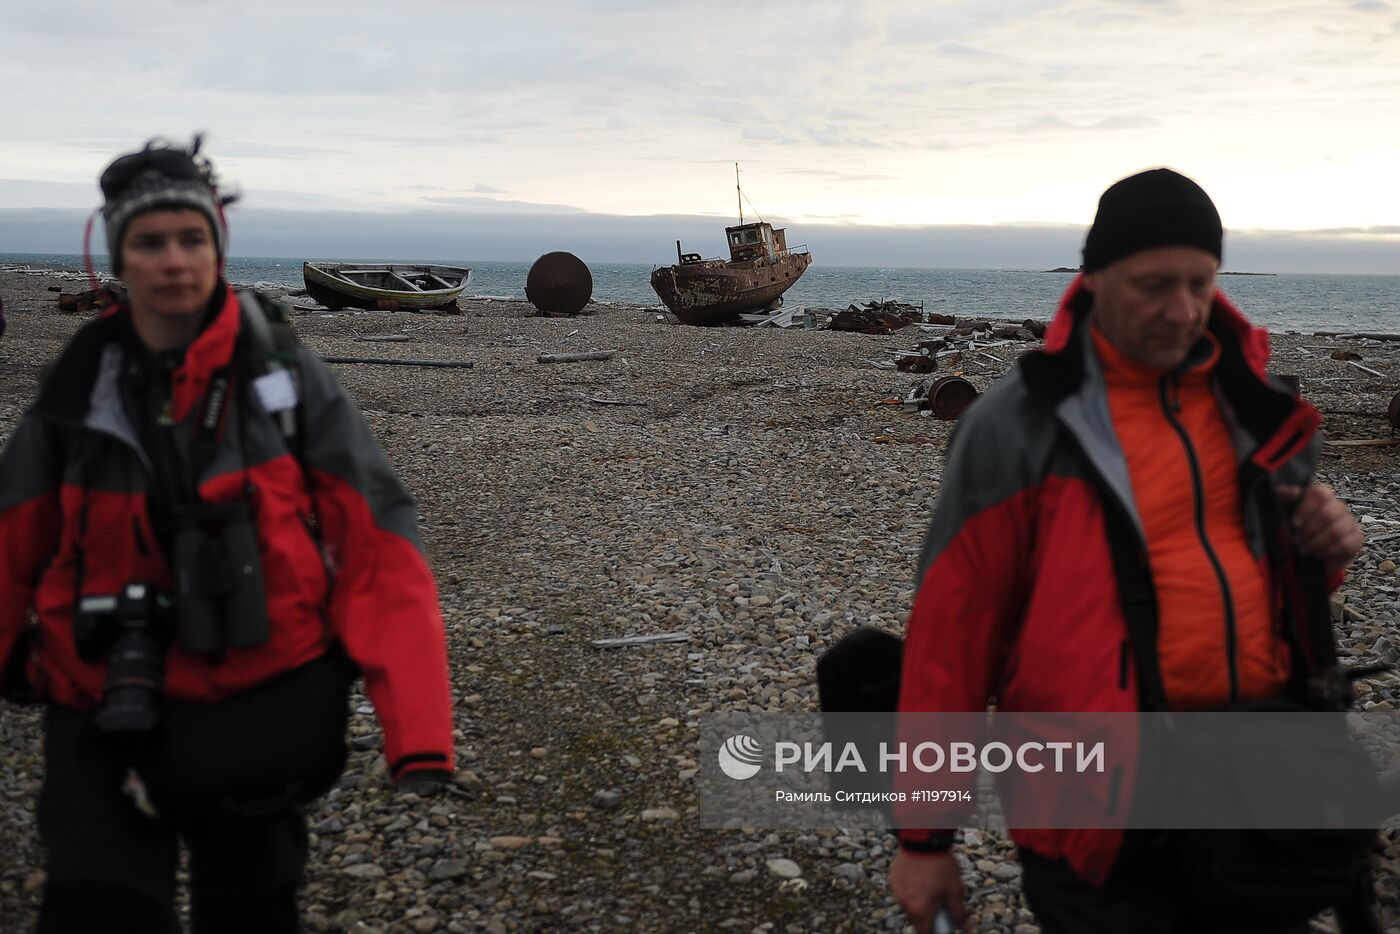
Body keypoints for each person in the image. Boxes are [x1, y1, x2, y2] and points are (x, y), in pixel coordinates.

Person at [887, 168, 1367, 933]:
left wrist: (1325, 549)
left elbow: (1273, 587)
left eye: (1200, 283)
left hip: (1255, 795)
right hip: (1097, 821)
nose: (1181, 311)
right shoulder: (1018, 427)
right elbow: (952, 638)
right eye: (1153, 284)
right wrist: (923, 837)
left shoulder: (1251, 407)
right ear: (1095, 277)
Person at [0, 137, 455, 933]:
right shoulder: (79, 384)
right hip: (100, 703)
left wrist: (416, 731)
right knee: (93, 909)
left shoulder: (281, 377)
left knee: (251, 909)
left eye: (192, 239)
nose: (173, 261)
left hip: (259, 708)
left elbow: (377, 541)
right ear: (117, 256)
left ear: (217, 246)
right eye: (149, 242)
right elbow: (10, 544)